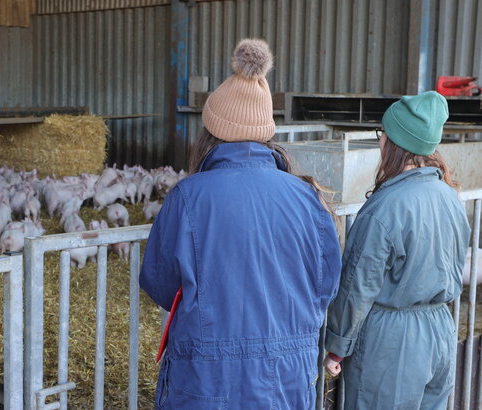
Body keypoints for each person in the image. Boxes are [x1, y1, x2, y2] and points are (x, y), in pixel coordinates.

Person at [140, 38, 342, 409]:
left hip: (207, 381)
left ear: (210, 132)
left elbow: (158, 283)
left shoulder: (188, 198)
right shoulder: (310, 200)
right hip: (285, 379)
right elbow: (325, 287)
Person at [323, 91, 471, 409]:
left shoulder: (385, 207)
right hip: (440, 332)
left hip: (393, 344)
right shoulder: (450, 197)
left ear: (395, 143)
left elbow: (357, 285)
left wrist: (337, 346)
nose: (380, 143)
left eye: (383, 134)